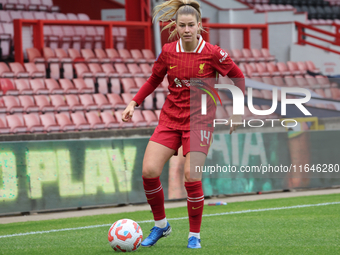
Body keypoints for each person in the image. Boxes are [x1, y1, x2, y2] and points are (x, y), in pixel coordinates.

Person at [122, 0, 245, 249]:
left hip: (200, 120)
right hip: (170, 118)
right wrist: (134, 102)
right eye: (182, 25)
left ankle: (194, 235)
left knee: (191, 176)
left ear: (199, 26)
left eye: (191, 25)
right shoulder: (168, 51)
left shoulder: (213, 52)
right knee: (149, 171)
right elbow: (154, 79)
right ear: (175, 27)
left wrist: (238, 111)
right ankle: (161, 226)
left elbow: (238, 76)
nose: (187, 29)